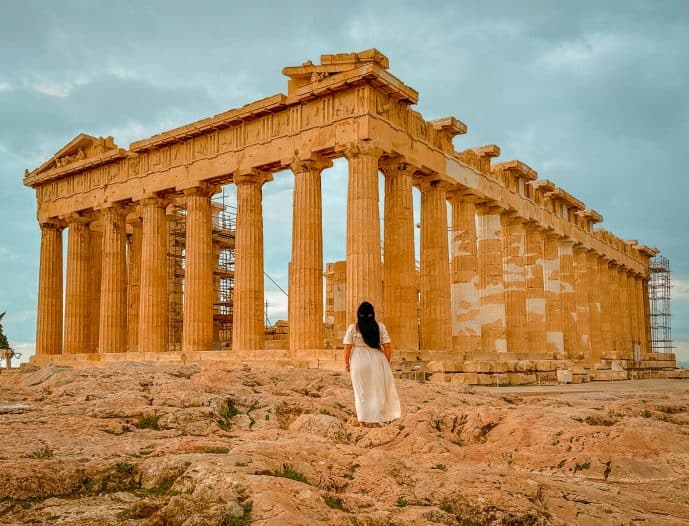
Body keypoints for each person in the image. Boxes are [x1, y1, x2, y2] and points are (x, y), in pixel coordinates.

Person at [343, 301, 401, 427]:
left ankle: (362, 422)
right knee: (377, 390)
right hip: (376, 359)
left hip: (358, 360)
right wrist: (386, 361)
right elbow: (387, 346)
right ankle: (375, 421)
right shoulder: (380, 327)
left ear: (358, 314)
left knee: (360, 391)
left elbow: (347, 347)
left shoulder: (353, 328)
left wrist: (346, 363)